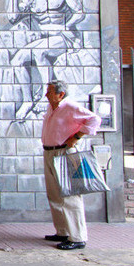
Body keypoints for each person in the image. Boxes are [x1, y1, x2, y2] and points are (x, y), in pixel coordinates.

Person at [40, 79, 101, 250]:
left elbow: (95, 119)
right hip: (50, 151)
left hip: (64, 152)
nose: (47, 95)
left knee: (69, 195)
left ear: (61, 94)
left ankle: (78, 237)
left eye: (50, 92)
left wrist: (77, 137)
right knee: (54, 194)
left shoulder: (70, 107)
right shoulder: (52, 108)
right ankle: (63, 231)